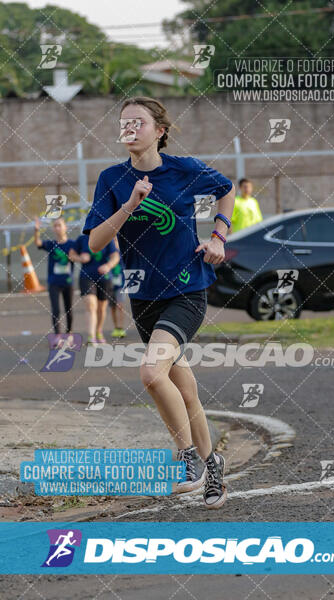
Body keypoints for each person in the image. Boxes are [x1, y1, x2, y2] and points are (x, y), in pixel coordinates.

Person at [82, 96, 235, 509]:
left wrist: (219, 236)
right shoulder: (112, 179)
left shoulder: (184, 170)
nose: (129, 127)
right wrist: (130, 204)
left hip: (187, 290)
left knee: (151, 373)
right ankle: (213, 466)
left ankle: (187, 457)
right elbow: (94, 242)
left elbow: (226, 189)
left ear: (160, 130)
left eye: (138, 121)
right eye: (123, 122)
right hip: (143, 297)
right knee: (185, 391)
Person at [69, 234, 119, 345]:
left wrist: (108, 266)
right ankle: (91, 337)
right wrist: (80, 258)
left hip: (105, 277)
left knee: (101, 308)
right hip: (87, 277)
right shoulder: (82, 239)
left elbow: (115, 256)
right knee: (91, 305)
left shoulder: (107, 237)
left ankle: (98, 331)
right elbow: (71, 255)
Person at [34, 216, 75, 346]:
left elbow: (82, 254)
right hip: (53, 282)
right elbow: (38, 244)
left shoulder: (72, 245)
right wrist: (36, 231)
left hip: (68, 282)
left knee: (69, 309)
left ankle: (69, 333)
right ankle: (57, 335)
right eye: (55, 225)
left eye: (60, 225)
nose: (57, 228)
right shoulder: (51, 244)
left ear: (65, 227)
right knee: (56, 309)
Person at [109, 238, 126, 339]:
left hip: (121, 282)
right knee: (112, 306)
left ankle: (121, 327)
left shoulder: (123, 250)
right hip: (110, 282)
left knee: (120, 305)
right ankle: (115, 327)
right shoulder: (108, 250)